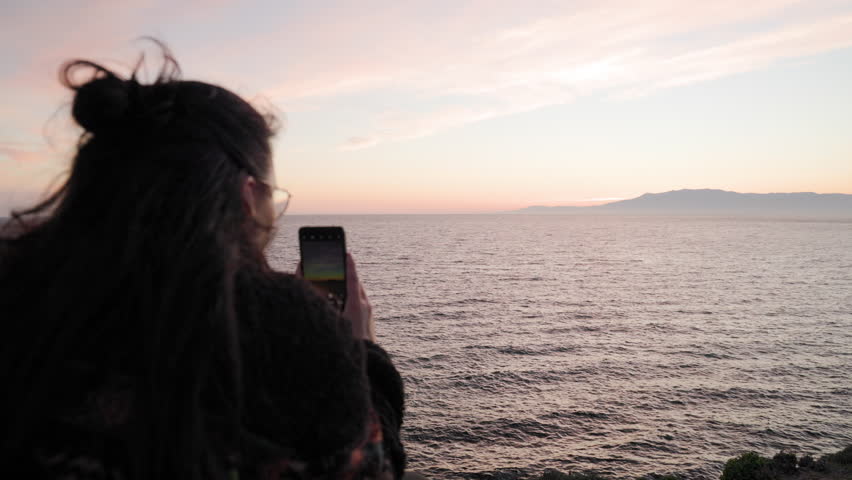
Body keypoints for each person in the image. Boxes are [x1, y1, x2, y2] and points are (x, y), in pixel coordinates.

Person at [0, 42, 406, 480]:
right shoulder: (279, 326)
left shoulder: (18, 288)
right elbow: (369, 471)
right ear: (249, 196)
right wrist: (363, 352)